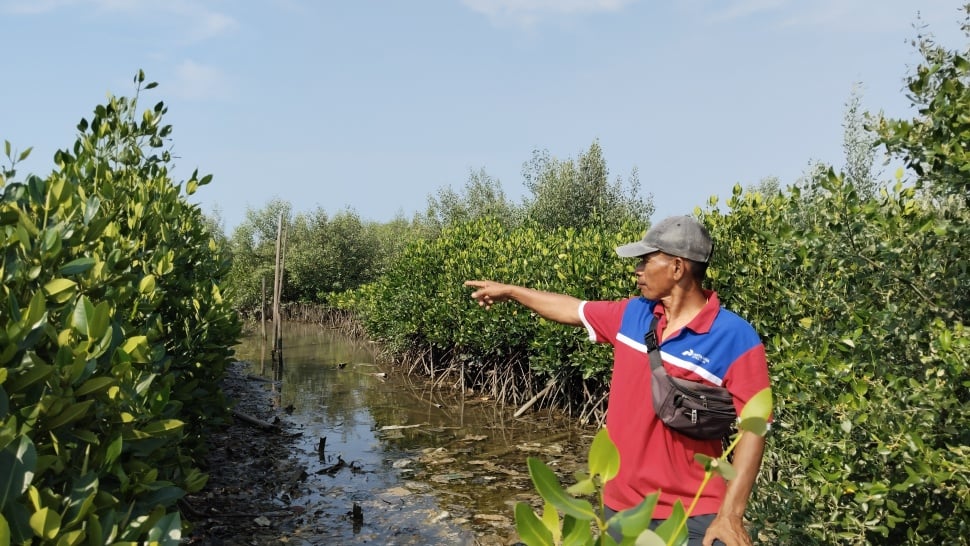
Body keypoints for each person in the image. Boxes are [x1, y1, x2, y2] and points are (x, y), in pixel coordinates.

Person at [464, 215, 770, 546]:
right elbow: (571, 309)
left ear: (678, 268)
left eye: (645, 260)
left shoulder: (734, 336)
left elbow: (754, 427)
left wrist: (731, 515)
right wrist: (511, 291)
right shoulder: (634, 314)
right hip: (621, 506)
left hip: (694, 510)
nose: (637, 270)